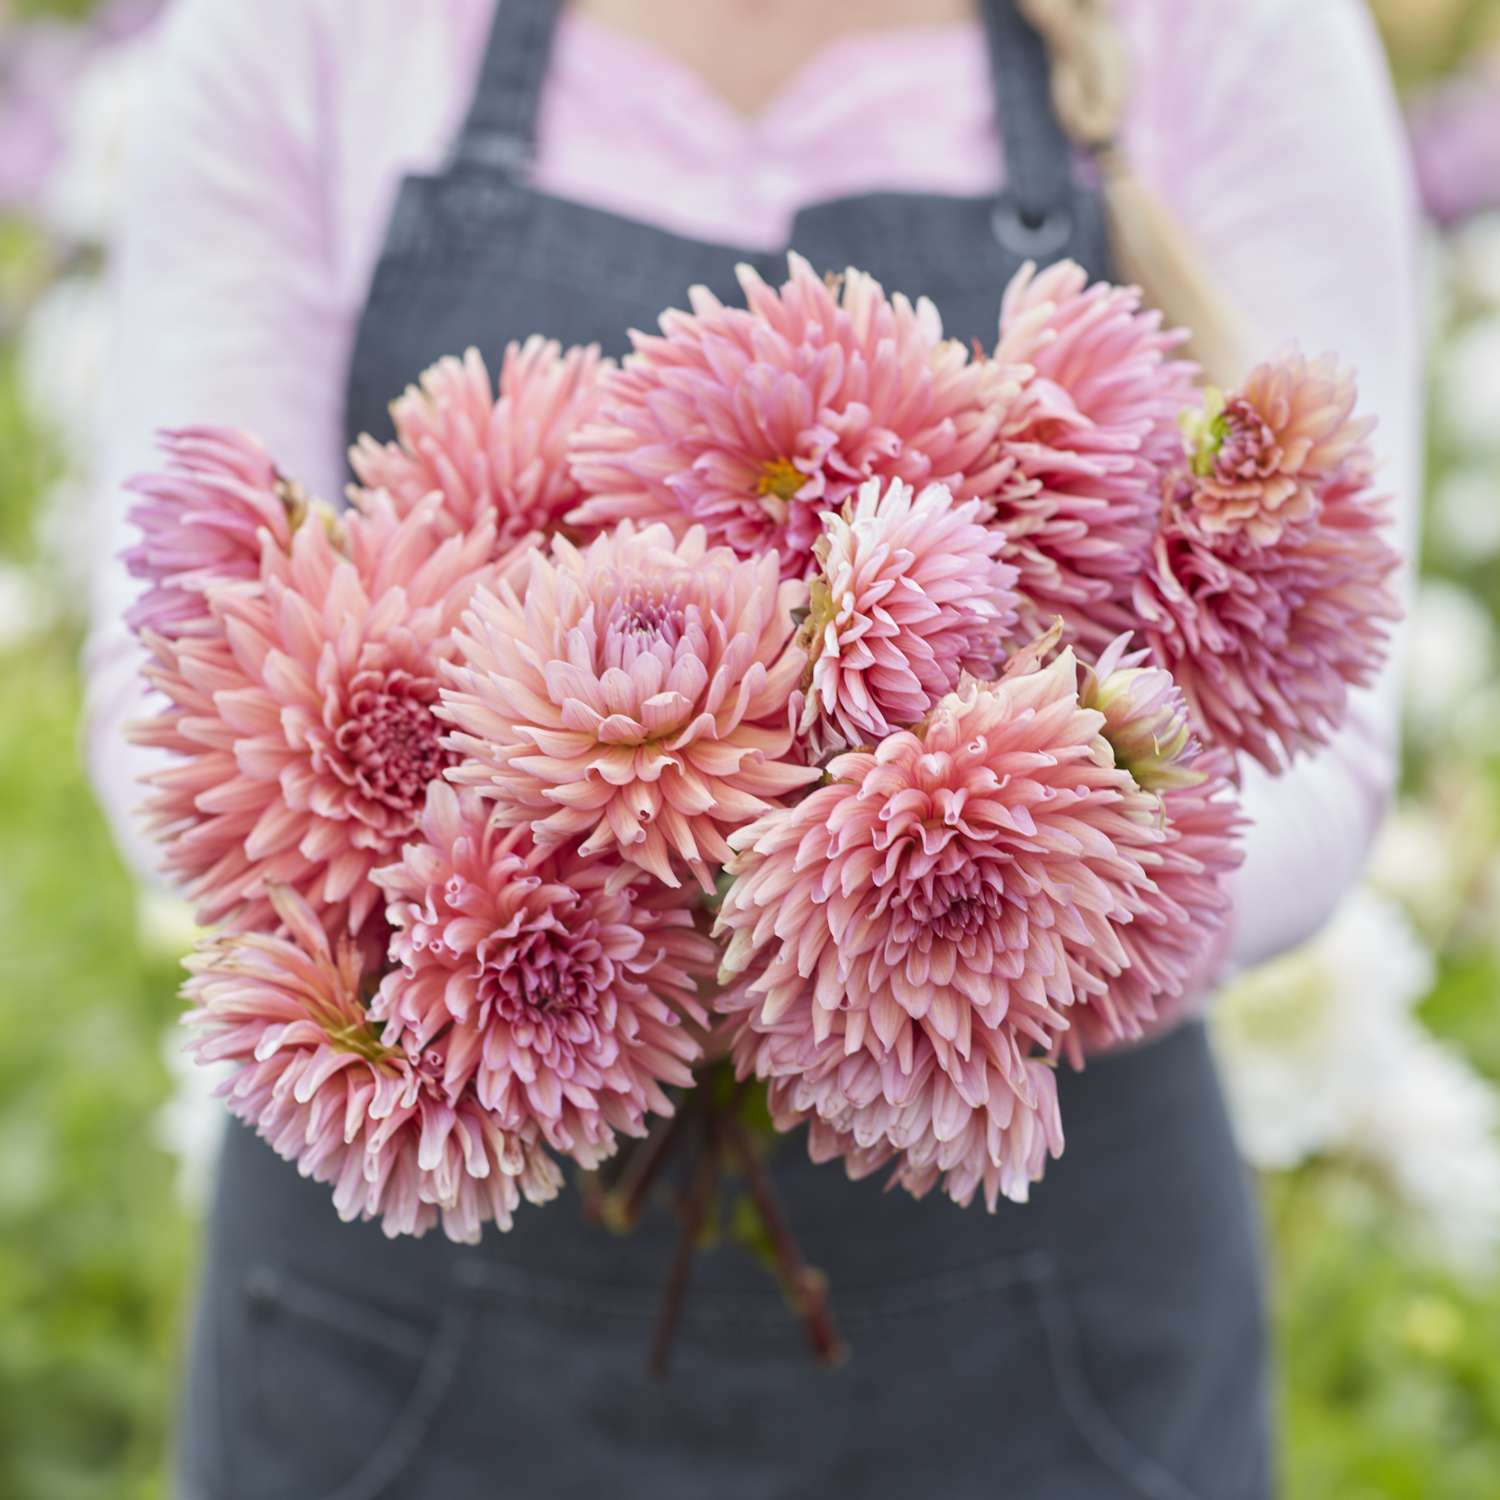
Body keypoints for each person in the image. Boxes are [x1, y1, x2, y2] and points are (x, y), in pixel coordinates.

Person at [85, 1, 1419, 1495]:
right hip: (407, 1339)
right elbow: (164, 691)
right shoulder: (307, 28)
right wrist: (720, 916)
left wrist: (957, 935)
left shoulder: (1230, 29)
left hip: (1037, 1334)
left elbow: (1328, 733)